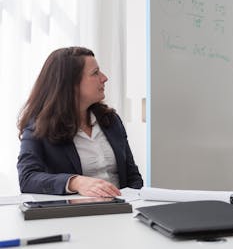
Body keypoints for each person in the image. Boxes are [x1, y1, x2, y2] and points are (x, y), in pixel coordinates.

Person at [17, 47, 143, 196]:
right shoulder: (39, 126)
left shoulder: (111, 120)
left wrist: (134, 204)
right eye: (95, 73)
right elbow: (27, 178)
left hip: (121, 210)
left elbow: (133, 177)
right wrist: (75, 182)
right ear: (71, 84)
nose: (104, 78)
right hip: (75, 214)